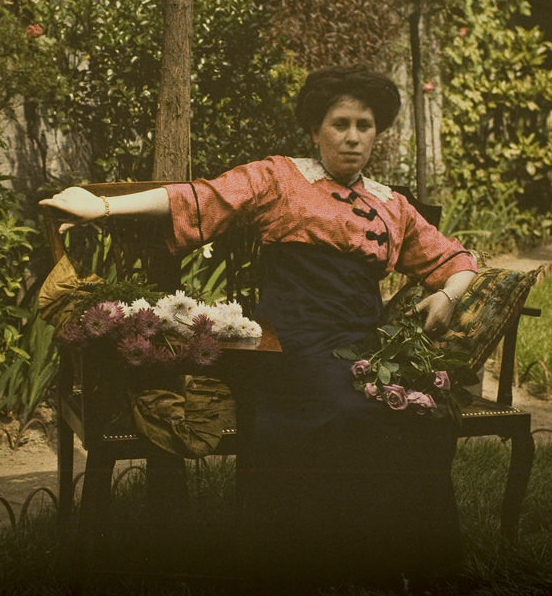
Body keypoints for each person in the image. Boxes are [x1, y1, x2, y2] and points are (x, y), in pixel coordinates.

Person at [40, 66, 478, 585]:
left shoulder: (392, 205)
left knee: (420, 420)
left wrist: (448, 296)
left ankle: (401, 568)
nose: (354, 137)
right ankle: (320, 566)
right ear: (316, 130)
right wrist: (105, 205)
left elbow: (457, 259)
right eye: (340, 123)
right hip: (287, 347)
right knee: (349, 415)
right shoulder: (279, 178)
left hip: (363, 347)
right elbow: (200, 197)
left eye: (366, 124)